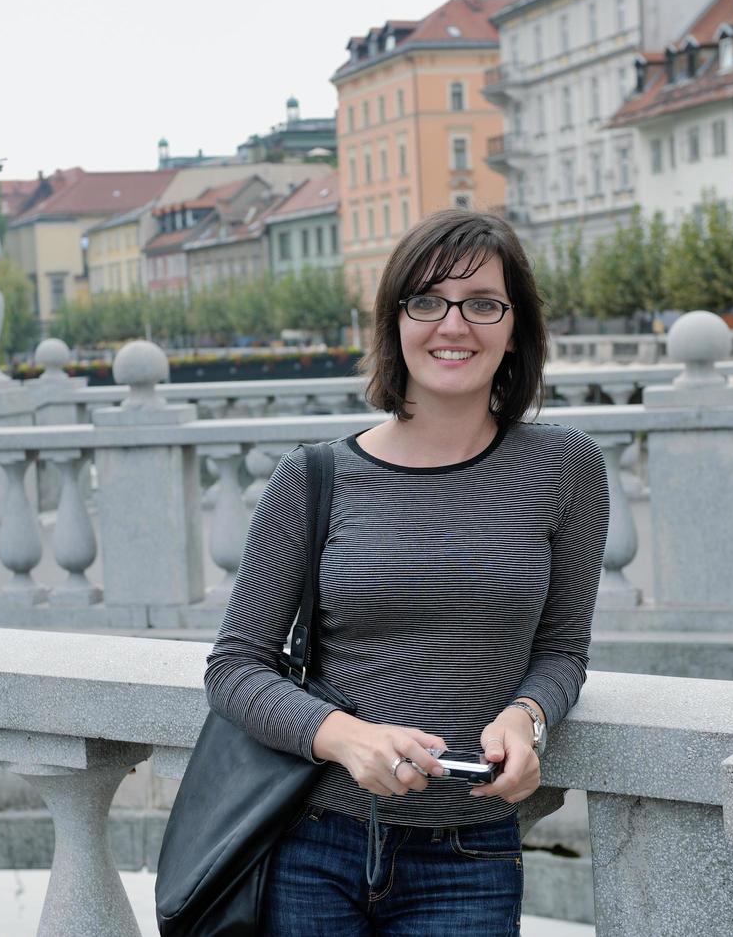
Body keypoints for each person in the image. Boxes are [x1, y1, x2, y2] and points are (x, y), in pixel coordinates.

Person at [205, 208, 609, 934]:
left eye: (482, 304)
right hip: (311, 843)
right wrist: (344, 736)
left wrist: (529, 716)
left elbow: (562, 652)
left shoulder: (566, 468)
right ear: (394, 321)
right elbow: (234, 667)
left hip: (471, 852)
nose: (452, 325)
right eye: (426, 301)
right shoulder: (314, 475)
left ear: (516, 326)